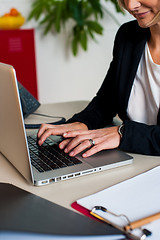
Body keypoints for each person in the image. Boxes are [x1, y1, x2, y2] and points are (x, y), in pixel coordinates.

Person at [38, 0, 160, 157]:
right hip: (133, 158)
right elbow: (107, 101)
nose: (130, 6)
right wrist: (82, 123)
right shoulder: (128, 35)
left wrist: (123, 133)